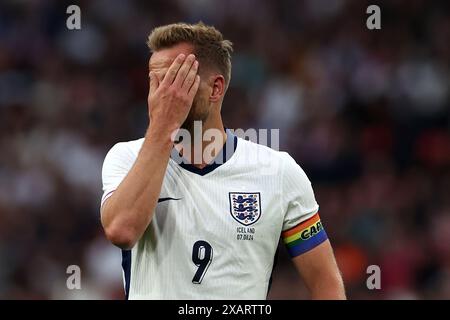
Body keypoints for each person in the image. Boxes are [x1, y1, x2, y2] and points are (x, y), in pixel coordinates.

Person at [100, 22, 345, 299]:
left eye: (175, 80)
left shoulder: (278, 171)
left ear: (215, 89)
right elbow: (122, 230)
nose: (161, 95)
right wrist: (163, 127)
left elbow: (326, 283)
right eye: (154, 83)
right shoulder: (127, 157)